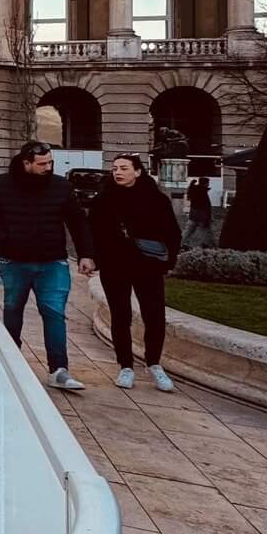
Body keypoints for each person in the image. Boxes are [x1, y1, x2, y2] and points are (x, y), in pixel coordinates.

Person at [0, 141, 96, 390]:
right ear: (26, 162)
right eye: (42, 164)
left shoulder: (61, 187)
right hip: (14, 260)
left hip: (53, 261)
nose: (48, 167)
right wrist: (4, 238)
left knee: (54, 313)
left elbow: (78, 222)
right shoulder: (1, 184)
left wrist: (86, 254)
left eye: (50, 162)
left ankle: (59, 369)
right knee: (13, 309)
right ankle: (9, 357)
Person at [89, 154, 182, 391]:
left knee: (154, 315)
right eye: (115, 168)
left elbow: (172, 233)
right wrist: (95, 258)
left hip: (147, 266)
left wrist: (167, 262)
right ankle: (125, 366)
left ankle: (153, 363)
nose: (118, 172)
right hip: (114, 265)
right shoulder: (103, 200)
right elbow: (93, 232)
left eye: (124, 168)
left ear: (138, 172)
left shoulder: (157, 200)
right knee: (121, 315)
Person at [184, 175, 215, 250]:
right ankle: (206, 245)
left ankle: (182, 243)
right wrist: (209, 217)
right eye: (208, 183)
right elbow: (206, 206)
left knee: (188, 231)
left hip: (193, 214)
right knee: (206, 232)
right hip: (202, 216)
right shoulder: (203, 192)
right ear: (206, 183)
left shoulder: (194, 190)